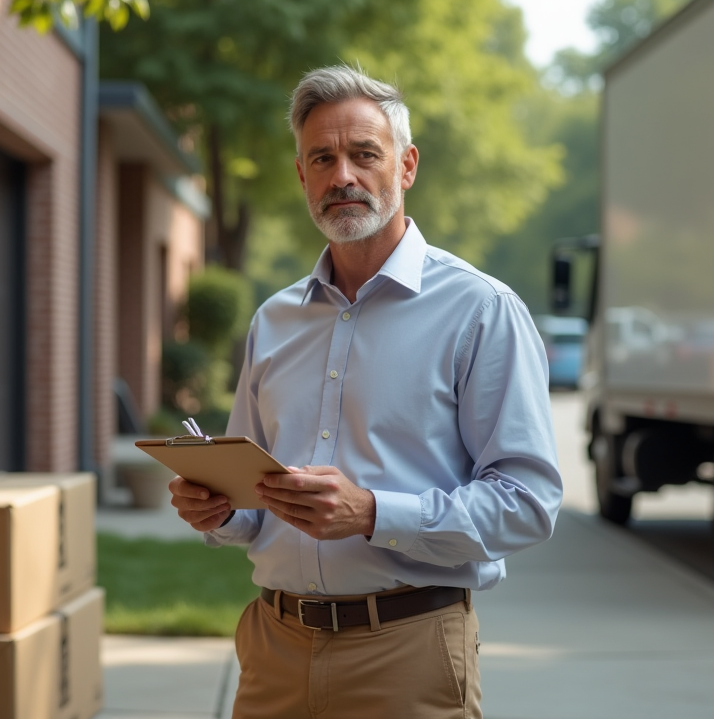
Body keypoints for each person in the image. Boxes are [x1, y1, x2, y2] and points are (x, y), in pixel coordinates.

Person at [168, 65, 563, 719]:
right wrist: (219, 509)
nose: (341, 176)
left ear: (406, 166)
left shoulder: (480, 310)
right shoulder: (274, 321)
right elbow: (255, 502)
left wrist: (375, 513)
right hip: (274, 650)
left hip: (407, 652)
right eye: (321, 158)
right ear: (301, 176)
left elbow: (528, 503)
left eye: (364, 155)